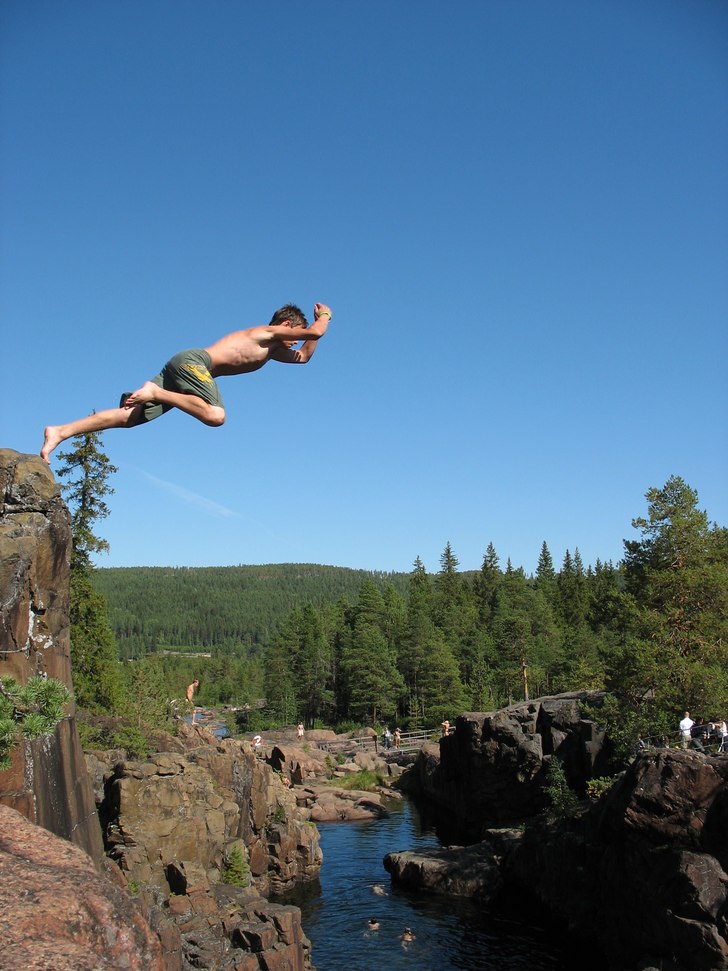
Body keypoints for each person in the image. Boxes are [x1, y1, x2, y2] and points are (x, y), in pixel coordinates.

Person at [40, 303, 333, 464]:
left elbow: (304, 357)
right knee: (216, 415)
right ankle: (156, 392)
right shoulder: (265, 333)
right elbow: (316, 333)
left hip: (187, 371)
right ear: (284, 324)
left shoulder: (273, 352)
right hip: (195, 363)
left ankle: (60, 432)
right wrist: (325, 316)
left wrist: (313, 336)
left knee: (127, 418)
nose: (297, 340)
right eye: (296, 333)